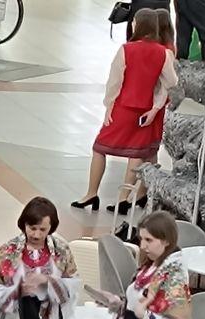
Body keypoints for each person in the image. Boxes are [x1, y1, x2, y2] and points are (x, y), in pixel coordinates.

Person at [74, 9, 177, 214]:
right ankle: (123, 198)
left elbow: (115, 81)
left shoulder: (126, 49)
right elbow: (171, 83)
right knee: (136, 154)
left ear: (139, 25)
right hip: (145, 110)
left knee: (99, 148)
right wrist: (155, 108)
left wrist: (108, 105)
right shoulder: (164, 53)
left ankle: (91, 193)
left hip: (123, 107)